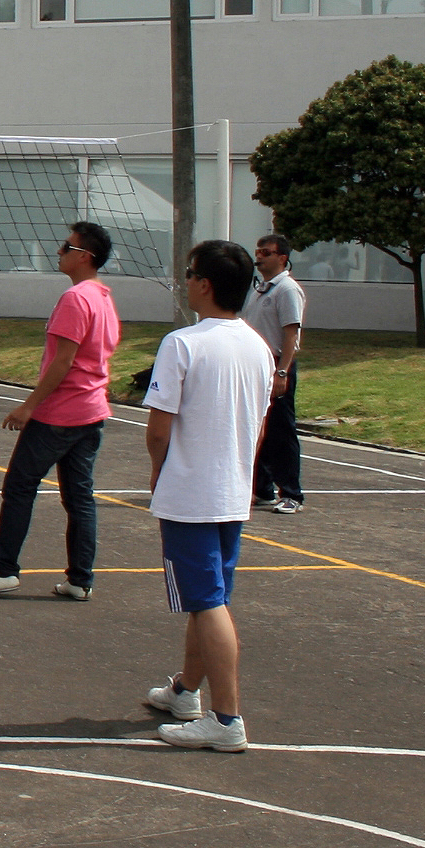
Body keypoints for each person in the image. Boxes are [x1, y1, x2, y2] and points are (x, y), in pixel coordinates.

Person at [139, 239, 275, 753]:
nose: (186, 281)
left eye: (191, 272)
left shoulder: (183, 343)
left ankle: (227, 720)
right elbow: (259, 428)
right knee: (207, 600)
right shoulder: (259, 347)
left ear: (206, 284)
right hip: (231, 491)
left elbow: (158, 429)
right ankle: (185, 692)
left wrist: (159, 473)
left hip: (191, 494)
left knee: (208, 602)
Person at [0, 223, 121, 602]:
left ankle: (4, 570)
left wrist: (28, 406)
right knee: (80, 497)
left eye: (66, 247)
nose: (58, 251)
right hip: (91, 410)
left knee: (19, 487)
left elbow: (63, 361)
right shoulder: (103, 297)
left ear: (85, 256)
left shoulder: (77, 299)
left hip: (61, 413)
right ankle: (80, 579)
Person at [242, 234, 306, 513]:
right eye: (258, 252)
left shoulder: (286, 289)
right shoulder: (260, 289)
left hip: (277, 362)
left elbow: (291, 332)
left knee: (281, 430)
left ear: (282, 258)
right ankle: (263, 489)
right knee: (260, 428)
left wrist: (283, 371)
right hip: (258, 363)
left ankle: (291, 493)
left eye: (266, 253)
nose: (260, 257)